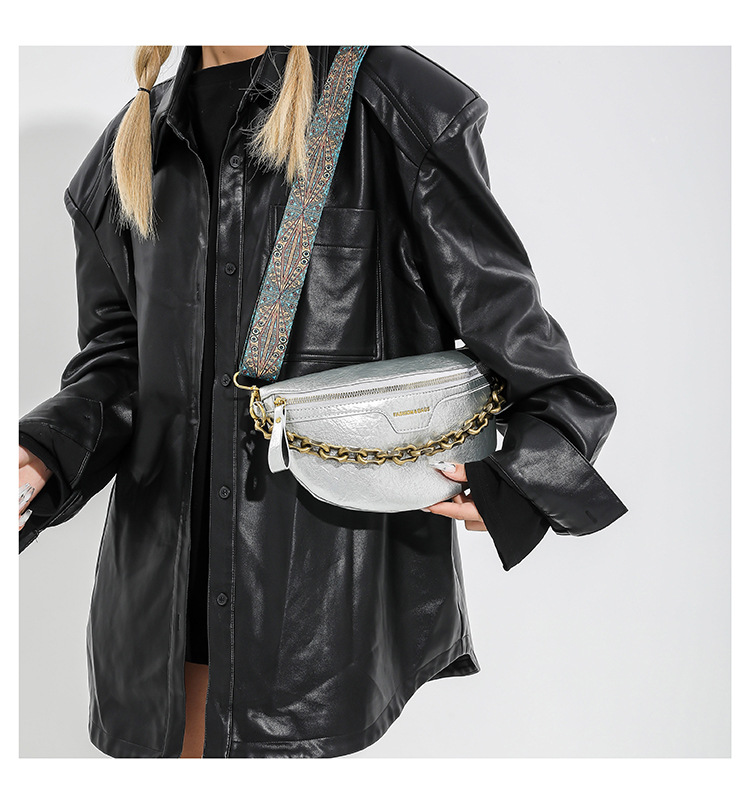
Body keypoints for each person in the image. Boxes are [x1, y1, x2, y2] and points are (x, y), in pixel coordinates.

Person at [18, 45, 628, 759]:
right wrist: (42, 453)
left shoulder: (392, 103)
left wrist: (523, 475)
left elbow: (531, 356)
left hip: (315, 611)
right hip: (156, 611)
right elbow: (121, 366)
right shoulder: (126, 149)